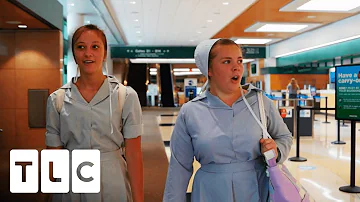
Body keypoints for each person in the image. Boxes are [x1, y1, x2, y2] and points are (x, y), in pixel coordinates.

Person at [163, 38, 292, 202]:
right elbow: (179, 168)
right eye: (226, 61)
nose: (236, 67)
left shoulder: (260, 103)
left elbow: (284, 137)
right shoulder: (191, 112)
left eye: (239, 61)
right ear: (209, 69)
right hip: (210, 192)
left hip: (256, 189)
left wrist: (277, 150)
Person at [45, 24, 144, 202]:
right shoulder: (57, 99)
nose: (88, 53)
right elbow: (53, 154)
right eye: (81, 47)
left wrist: (139, 199)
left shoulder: (126, 96)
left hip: (112, 178)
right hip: (71, 179)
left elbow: (134, 155)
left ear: (105, 53)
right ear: (74, 53)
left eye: (95, 47)